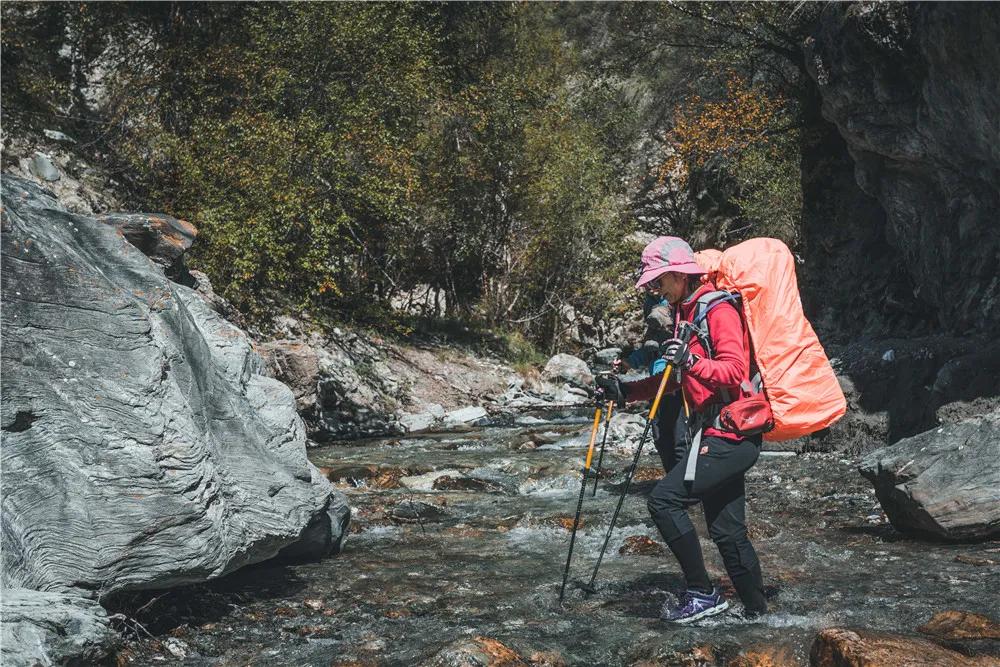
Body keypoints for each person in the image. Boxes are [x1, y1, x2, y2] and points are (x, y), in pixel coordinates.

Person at [596, 236, 767, 624]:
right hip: (717, 433)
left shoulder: (716, 309)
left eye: (659, 282)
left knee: (663, 500)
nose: (655, 290)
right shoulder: (685, 313)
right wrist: (627, 391)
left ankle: (703, 593)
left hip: (732, 432)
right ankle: (759, 616)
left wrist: (690, 359)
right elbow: (675, 381)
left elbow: (734, 370)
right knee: (727, 532)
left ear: (678, 274)